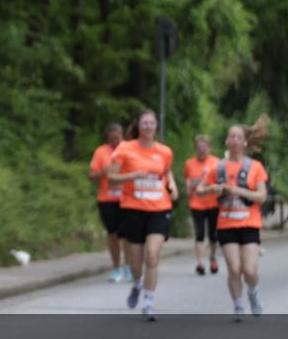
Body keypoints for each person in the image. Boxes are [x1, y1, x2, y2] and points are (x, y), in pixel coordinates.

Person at [107, 109, 178, 321]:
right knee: (136, 263)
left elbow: (166, 172)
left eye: (152, 123)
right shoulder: (125, 149)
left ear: (156, 126)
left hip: (159, 208)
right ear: (139, 125)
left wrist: (172, 185)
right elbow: (111, 178)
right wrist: (132, 175)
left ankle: (148, 302)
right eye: (144, 123)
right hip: (133, 209)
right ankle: (137, 284)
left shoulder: (164, 151)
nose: (148, 127)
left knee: (152, 255)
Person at [196, 117, 270, 322]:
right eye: (232, 137)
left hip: (249, 224)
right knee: (234, 268)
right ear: (227, 142)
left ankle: (253, 291)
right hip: (227, 224)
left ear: (245, 142)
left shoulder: (255, 167)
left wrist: (238, 190)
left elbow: (262, 196)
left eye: (239, 137)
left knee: (250, 269)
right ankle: (238, 305)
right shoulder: (218, 168)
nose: (235, 140)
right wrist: (214, 189)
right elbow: (199, 190)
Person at [89, 123, 130, 282]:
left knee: (127, 235)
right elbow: (91, 175)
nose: (115, 141)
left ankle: (129, 266)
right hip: (107, 200)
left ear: (122, 135)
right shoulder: (101, 152)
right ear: (108, 137)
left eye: (118, 137)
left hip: (126, 199)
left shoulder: (129, 150)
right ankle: (116, 268)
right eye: (112, 138)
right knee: (112, 234)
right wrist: (103, 172)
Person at [184, 135, 220, 275]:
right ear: (196, 149)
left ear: (209, 148)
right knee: (199, 233)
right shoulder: (189, 163)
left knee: (213, 234)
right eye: (199, 148)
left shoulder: (217, 162)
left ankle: (212, 257)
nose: (202, 151)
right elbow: (188, 181)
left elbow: (221, 181)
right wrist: (189, 186)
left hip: (213, 203)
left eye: (204, 148)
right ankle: (200, 263)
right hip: (197, 203)